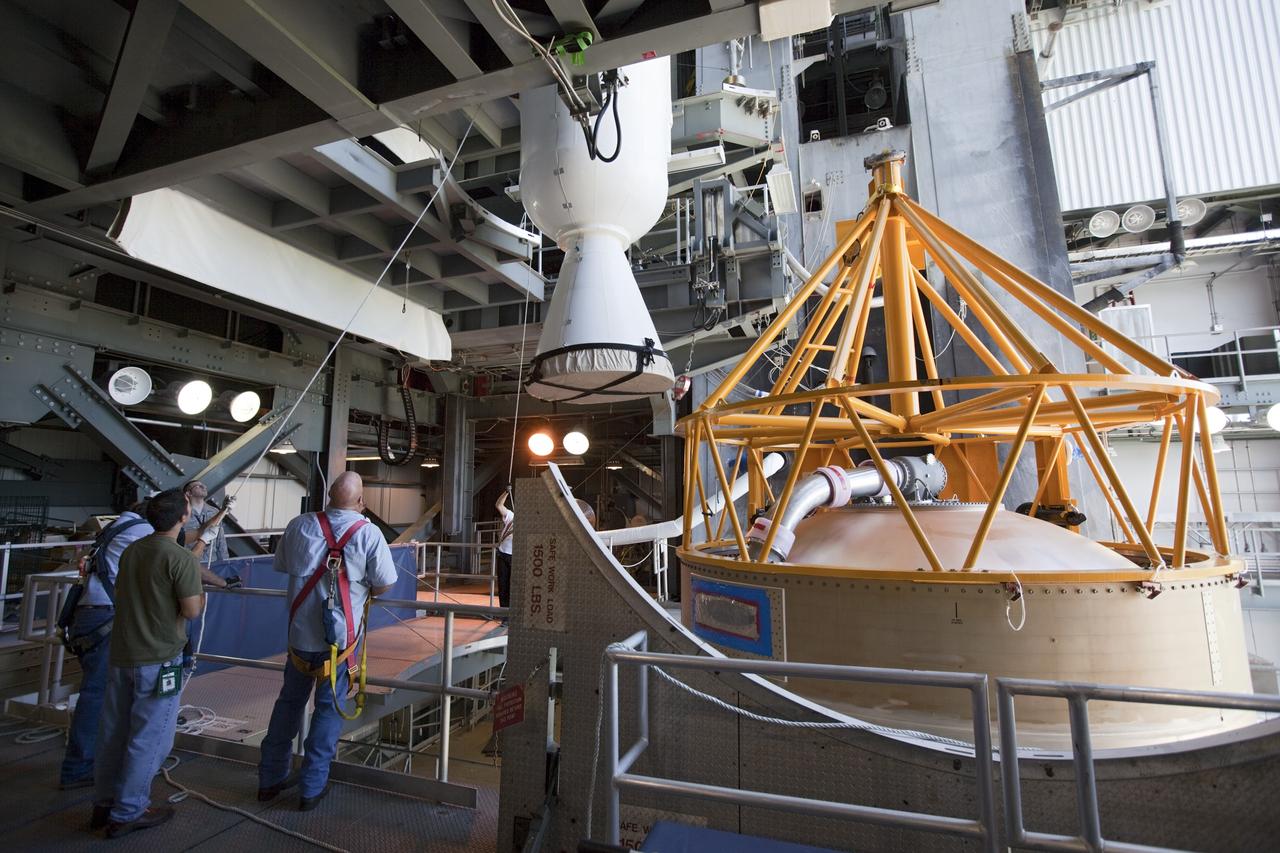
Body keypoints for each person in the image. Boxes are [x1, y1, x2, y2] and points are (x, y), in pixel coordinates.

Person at [257, 472, 396, 811]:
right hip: (340, 645)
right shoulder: (368, 533)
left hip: (299, 638)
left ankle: (270, 780)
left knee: (287, 705)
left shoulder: (300, 525)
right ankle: (311, 788)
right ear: (361, 502)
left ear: (328, 496)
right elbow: (385, 583)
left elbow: (284, 565)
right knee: (328, 712)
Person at [91, 488, 204, 837]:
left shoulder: (133, 551)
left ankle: (104, 804)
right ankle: (129, 811)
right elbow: (191, 609)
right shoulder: (180, 558)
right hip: (160, 659)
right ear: (183, 518)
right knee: (150, 737)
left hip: (123, 653)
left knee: (113, 733)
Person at [58, 502, 154, 790]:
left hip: (89, 614)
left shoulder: (114, 528)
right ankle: (79, 767)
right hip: (107, 616)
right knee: (98, 693)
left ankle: (90, 761)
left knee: (100, 692)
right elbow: (169, 558)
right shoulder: (142, 531)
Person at [494, 489, 515, 610]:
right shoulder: (511, 516)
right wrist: (506, 492)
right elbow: (498, 505)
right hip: (503, 553)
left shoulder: (533, 523)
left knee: (515, 587)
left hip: (517, 556)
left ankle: (513, 615)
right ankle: (505, 616)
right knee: (503, 586)